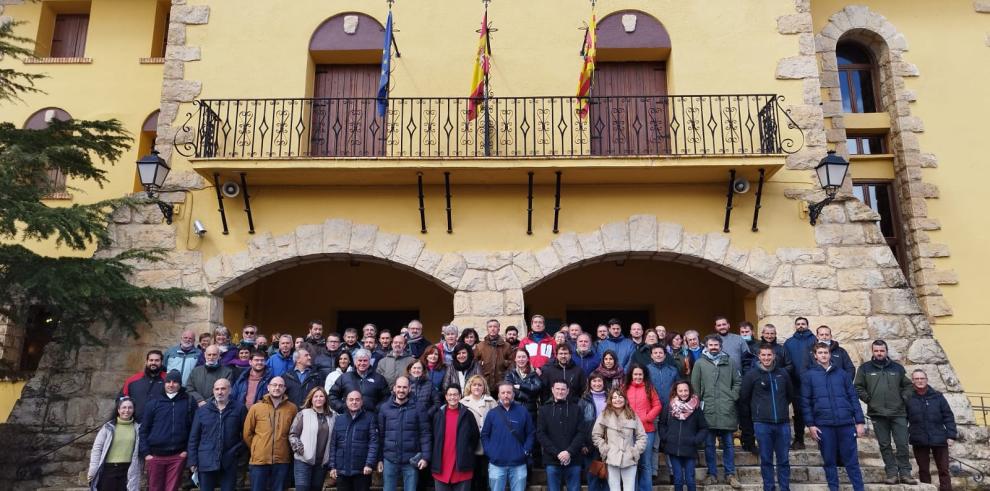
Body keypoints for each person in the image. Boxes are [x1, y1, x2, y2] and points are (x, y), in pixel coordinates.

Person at [801, 342, 866, 491]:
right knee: (829, 462)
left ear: (830, 354)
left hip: (846, 424)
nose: (824, 355)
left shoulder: (842, 374)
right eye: (820, 353)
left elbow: (853, 398)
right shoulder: (809, 376)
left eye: (826, 352)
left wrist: (860, 421)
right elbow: (805, 402)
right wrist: (810, 425)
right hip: (824, 425)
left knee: (852, 462)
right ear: (815, 356)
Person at [854, 339, 916, 484]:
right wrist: (869, 400)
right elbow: (858, 387)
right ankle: (892, 474)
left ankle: (906, 473)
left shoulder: (897, 368)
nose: (879, 353)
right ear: (873, 351)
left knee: (902, 444)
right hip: (877, 413)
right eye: (876, 351)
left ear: (886, 351)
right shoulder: (864, 368)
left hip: (898, 412)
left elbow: (908, 386)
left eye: (882, 351)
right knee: (884, 445)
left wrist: (904, 398)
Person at [740, 344, 794, 491]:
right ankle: (768, 487)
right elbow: (744, 399)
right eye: (763, 355)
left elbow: (790, 395)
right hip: (762, 424)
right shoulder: (751, 375)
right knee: (766, 460)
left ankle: (784, 488)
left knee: (783, 460)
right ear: (759, 356)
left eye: (769, 355)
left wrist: (781, 408)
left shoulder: (783, 373)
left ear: (774, 356)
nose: (766, 358)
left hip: (782, 424)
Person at [691, 335, 742, 488]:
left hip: (727, 409)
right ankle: (712, 474)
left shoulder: (730, 362)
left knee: (728, 444)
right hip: (708, 410)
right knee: (709, 445)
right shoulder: (699, 363)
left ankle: (730, 474)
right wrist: (698, 405)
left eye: (716, 344)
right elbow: (695, 386)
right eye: (710, 345)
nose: (713, 347)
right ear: (706, 346)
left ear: (720, 346)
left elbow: (738, 382)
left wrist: (732, 396)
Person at [187, 379, 246, 491]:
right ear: (213, 391)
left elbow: (246, 435)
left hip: (229, 461)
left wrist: (236, 452)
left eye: (223, 389)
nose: (220, 392)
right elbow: (194, 438)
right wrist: (193, 460)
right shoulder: (202, 411)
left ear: (230, 390)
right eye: (217, 389)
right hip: (206, 460)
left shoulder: (239, 409)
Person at [140, 370, 195, 491]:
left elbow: (193, 429)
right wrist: (146, 453)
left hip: (177, 455)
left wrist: (186, 451)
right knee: (154, 488)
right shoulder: (153, 402)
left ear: (180, 384)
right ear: (164, 383)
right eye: (168, 382)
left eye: (175, 382)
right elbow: (144, 429)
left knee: (172, 488)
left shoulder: (189, 402)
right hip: (155, 455)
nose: (171, 384)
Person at [244, 376, 298, 491]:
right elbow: (247, 433)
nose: (277, 388)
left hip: (282, 460)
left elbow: (294, 432)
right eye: (274, 385)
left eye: (280, 386)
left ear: (284, 389)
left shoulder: (292, 409)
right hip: (259, 460)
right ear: (268, 387)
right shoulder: (256, 408)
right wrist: (257, 447)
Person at [378, 377, 432, 491]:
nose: (401, 390)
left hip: (411, 460)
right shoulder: (384, 408)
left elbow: (425, 434)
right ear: (394, 388)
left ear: (409, 389)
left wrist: (426, 457)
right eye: (399, 387)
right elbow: (380, 435)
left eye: (404, 387)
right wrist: (379, 459)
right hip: (389, 459)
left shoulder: (419, 408)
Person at [907, 369, 957, 491]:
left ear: (926, 380)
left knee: (944, 469)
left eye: (922, 378)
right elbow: (903, 419)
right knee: (923, 470)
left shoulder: (938, 396)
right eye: (917, 379)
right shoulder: (908, 398)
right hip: (919, 439)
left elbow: (948, 416)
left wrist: (951, 435)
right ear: (913, 381)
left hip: (939, 438)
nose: (920, 381)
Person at [482, 382, 535, 491]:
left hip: (518, 464)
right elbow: (485, 435)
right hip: (496, 464)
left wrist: (526, 450)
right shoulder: (492, 413)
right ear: (498, 395)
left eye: (509, 392)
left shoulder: (523, 411)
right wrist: (490, 452)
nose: (506, 395)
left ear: (513, 394)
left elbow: (531, 433)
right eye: (503, 393)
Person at [656, 381, 709, 491]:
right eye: (680, 391)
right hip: (673, 448)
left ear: (689, 391)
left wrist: (696, 440)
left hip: (689, 448)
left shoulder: (696, 408)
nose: (683, 393)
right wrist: (666, 437)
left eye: (686, 390)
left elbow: (703, 428)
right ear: (676, 391)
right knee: (678, 478)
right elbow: (662, 424)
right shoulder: (669, 406)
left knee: (690, 478)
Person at [592, 388, 647, 491]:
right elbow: (596, 435)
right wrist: (605, 449)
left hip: (629, 458)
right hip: (611, 458)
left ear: (625, 399)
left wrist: (635, 451)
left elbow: (642, 436)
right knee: (614, 489)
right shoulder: (604, 415)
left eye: (620, 397)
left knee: (629, 489)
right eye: (615, 397)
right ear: (610, 400)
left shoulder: (632, 415)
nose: (618, 399)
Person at [537, 381, 587, 491]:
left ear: (568, 391)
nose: (560, 392)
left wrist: (569, 452)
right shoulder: (544, 410)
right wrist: (557, 453)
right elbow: (541, 434)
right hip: (552, 460)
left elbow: (581, 433)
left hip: (573, 459)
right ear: (552, 390)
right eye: (557, 389)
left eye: (563, 389)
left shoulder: (576, 409)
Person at [432, 385, 480, 491]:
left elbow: (475, 437)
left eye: (455, 395)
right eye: (450, 395)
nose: (452, 397)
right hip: (441, 468)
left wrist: (466, 451)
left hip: (462, 468)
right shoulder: (438, 415)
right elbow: (433, 438)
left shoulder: (468, 415)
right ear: (446, 396)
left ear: (460, 396)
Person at [88, 397, 142, 491]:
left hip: (128, 470)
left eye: (130, 408)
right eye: (124, 407)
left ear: (133, 410)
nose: (127, 410)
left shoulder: (138, 428)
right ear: (118, 409)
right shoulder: (108, 427)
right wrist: (93, 469)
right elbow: (97, 448)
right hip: (108, 470)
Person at [328, 390, 379, 491]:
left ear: (361, 402)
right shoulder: (339, 419)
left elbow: (374, 443)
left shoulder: (370, 418)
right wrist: (332, 466)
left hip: (362, 470)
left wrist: (369, 464)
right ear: (346, 402)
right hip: (342, 470)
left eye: (357, 400)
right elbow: (333, 444)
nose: (354, 402)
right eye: (351, 400)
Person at [288, 387, 336, 491]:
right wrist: (301, 450)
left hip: (321, 463)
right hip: (303, 461)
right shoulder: (303, 414)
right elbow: (293, 435)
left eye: (321, 396)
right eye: (316, 396)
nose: (318, 399)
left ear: (325, 399)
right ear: (311, 399)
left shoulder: (332, 416)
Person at [624, 364, 661, 491]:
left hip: (647, 430)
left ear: (644, 375)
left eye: (640, 374)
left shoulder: (649, 388)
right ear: (631, 375)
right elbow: (618, 406)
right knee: (632, 462)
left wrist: (647, 418)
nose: (638, 377)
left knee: (645, 463)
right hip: (628, 431)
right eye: (635, 374)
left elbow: (657, 405)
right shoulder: (625, 388)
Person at [784, 316, 816, 450]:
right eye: (798, 324)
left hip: (813, 382)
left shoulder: (815, 340)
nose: (801, 326)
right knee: (798, 412)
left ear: (807, 325)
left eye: (803, 323)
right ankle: (799, 439)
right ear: (795, 326)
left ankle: (822, 440)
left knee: (818, 410)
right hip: (795, 383)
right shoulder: (789, 342)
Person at [460, 375, 497, 491]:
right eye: (474, 385)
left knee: (484, 477)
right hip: (469, 445)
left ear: (484, 387)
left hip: (487, 444)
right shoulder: (463, 402)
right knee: (471, 477)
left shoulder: (491, 402)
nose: (477, 387)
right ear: (470, 386)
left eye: (479, 385)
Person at [328, 349, 389, 414]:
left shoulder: (379, 379)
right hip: (349, 418)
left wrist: (377, 410)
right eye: (360, 360)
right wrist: (343, 408)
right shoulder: (345, 377)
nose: (362, 363)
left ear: (369, 361)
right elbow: (332, 395)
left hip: (371, 419)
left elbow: (386, 398)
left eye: (365, 360)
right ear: (355, 361)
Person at [581, 374, 609, 491]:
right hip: (591, 444)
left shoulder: (610, 398)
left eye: (599, 381)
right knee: (593, 476)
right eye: (594, 381)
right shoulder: (584, 401)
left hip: (608, 443)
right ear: (589, 383)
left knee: (607, 476)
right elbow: (579, 424)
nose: (597, 384)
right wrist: (582, 444)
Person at [120, 350, 165, 420]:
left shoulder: (168, 381)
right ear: (146, 362)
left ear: (161, 362)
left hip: (158, 424)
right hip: (135, 423)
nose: (153, 363)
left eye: (157, 360)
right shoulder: (132, 380)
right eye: (151, 360)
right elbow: (121, 400)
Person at [504, 348, 543, 425]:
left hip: (530, 410)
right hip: (513, 408)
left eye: (523, 357)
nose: (521, 359)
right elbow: (509, 389)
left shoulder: (533, 373)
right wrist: (526, 396)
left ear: (528, 359)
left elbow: (537, 388)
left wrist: (521, 386)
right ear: (515, 359)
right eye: (519, 357)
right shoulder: (510, 373)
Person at [474, 319, 513, 395]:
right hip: (485, 383)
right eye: (490, 326)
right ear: (487, 329)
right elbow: (475, 364)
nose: (492, 329)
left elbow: (512, 364)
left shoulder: (507, 346)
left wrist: (504, 363)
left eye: (495, 326)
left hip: (501, 383)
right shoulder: (480, 346)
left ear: (499, 329)